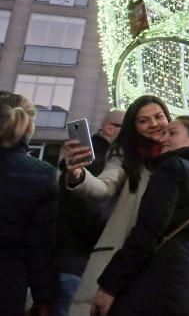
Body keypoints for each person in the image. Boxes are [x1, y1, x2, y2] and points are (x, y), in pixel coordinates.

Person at [89, 116, 189, 315]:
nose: (162, 138)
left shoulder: (173, 167)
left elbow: (148, 230)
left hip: (156, 276)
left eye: (172, 133)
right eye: (164, 133)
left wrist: (109, 285)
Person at [62, 95, 171, 316]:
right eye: (143, 120)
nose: (153, 124)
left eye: (159, 117)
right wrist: (77, 174)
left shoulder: (180, 158)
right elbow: (103, 187)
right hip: (124, 254)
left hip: (166, 256)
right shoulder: (125, 155)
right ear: (134, 126)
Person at [53, 111, 123, 316]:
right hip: (80, 264)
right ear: (110, 128)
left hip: (69, 260)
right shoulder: (97, 162)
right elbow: (90, 217)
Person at [0, 92, 58, 316]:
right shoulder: (42, 175)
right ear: (28, 128)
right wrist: (44, 298)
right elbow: (40, 245)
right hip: (8, 284)